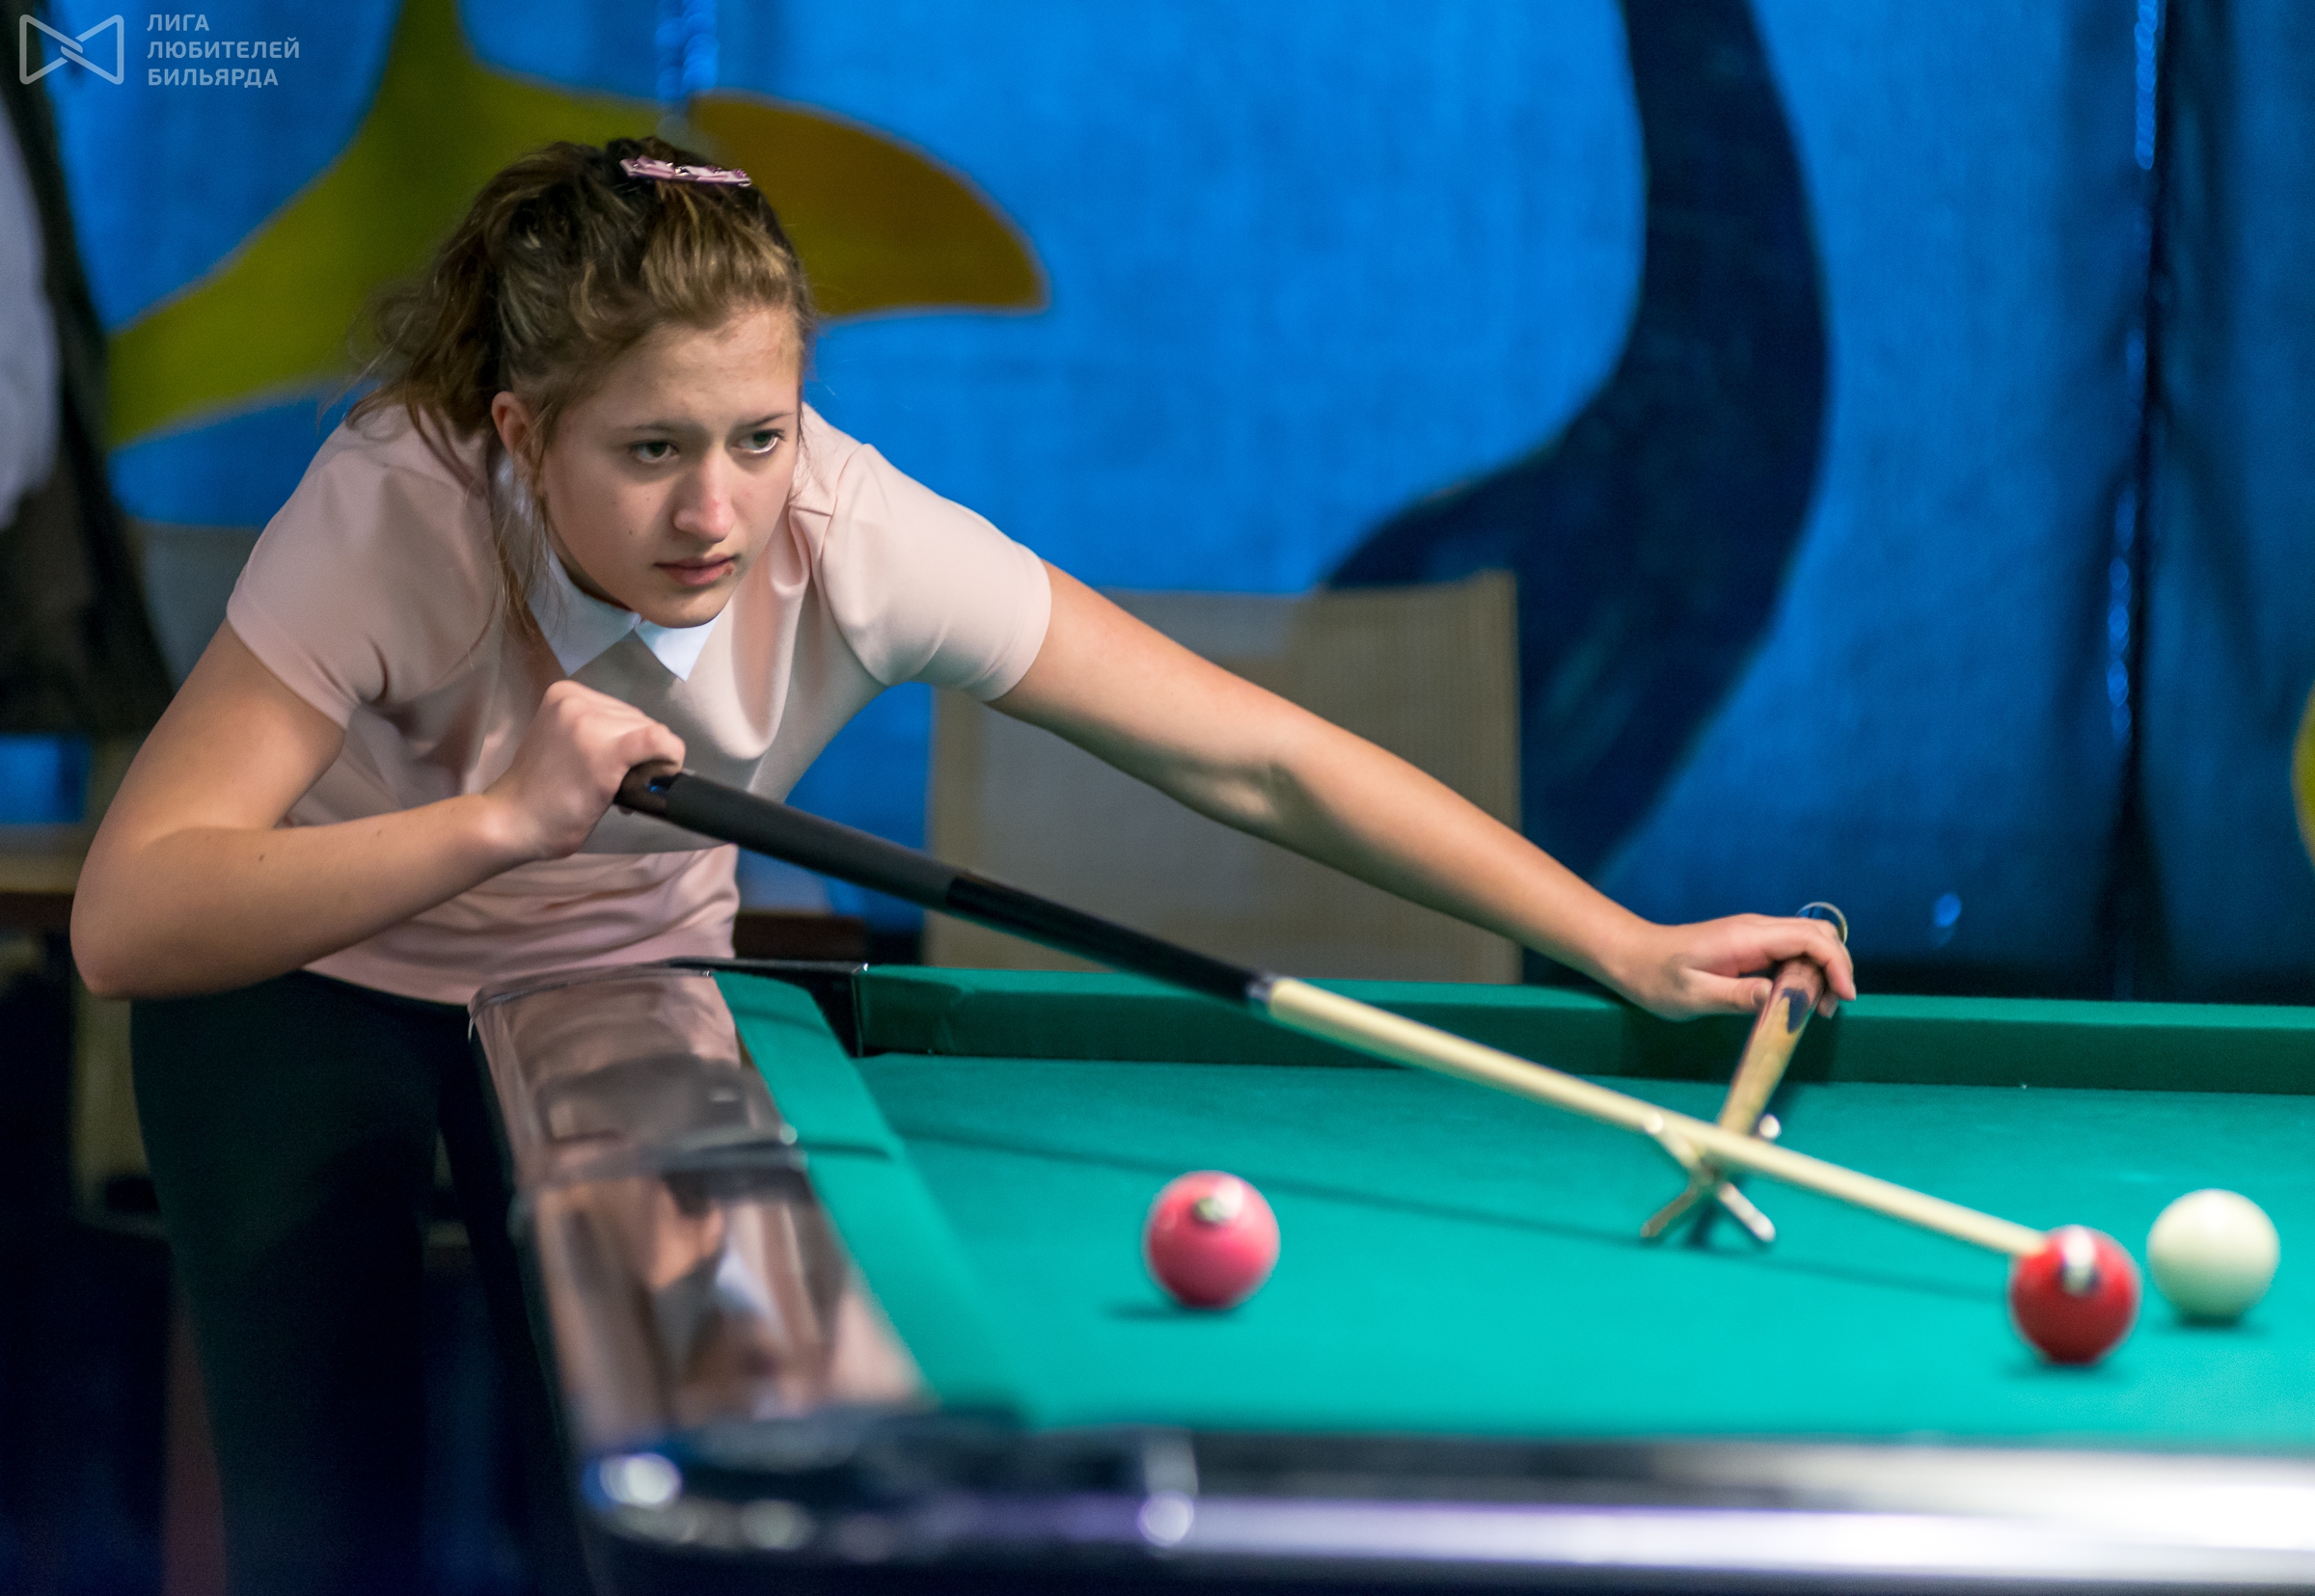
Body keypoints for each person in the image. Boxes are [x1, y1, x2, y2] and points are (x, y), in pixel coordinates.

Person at [70, 137, 1856, 1594]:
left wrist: (1619, 942)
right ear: (526, 433)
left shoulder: (852, 536)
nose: (714, 512)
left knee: (634, 1524)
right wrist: (498, 820)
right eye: (652, 450)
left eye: (758, 437)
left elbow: (1254, 754)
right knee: (330, 1536)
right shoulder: (398, 505)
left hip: (620, 1009)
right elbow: (133, 915)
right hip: (304, 992)